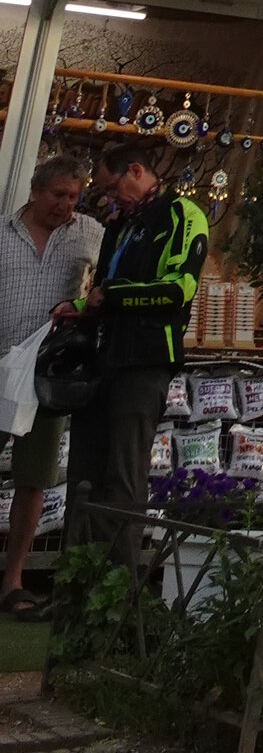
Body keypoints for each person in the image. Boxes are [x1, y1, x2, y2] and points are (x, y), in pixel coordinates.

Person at [63, 145, 207, 566]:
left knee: (124, 477)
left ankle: (117, 592)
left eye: (112, 189)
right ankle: (75, 583)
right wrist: (78, 307)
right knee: (83, 474)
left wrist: (109, 299)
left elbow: (179, 289)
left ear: (136, 171)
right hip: (101, 359)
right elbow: (101, 290)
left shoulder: (182, 215)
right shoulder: (120, 224)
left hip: (145, 362)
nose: (110, 199)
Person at [0, 156, 102, 614]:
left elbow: (112, 275)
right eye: (58, 195)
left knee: (34, 477)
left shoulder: (87, 233)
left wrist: (89, 301)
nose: (66, 204)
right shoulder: (2, 233)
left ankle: (13, 580)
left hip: (46, 372)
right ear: (36, 191)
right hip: (0, 362)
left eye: (73, 197)